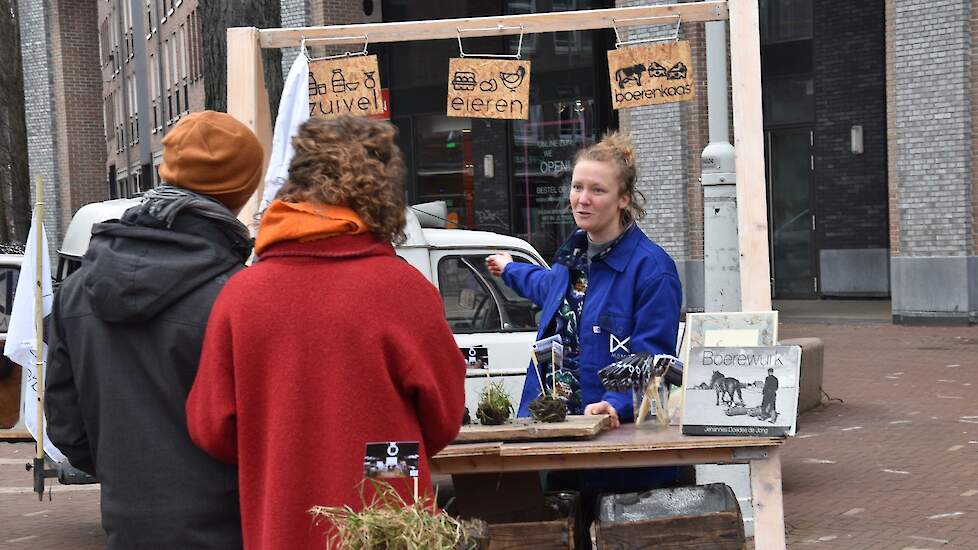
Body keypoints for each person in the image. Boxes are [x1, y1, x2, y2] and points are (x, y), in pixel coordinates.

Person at [185, 115, 467, 550]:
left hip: (283, 522)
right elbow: (444, 417)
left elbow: (211, 429)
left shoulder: (240, 297)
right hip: (388, 517)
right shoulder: (404, 290)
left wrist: (280, 446)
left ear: (296, 185)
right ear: (384, 193)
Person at [45, 111, 264, 549]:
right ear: (243, 191)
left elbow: (67, 429)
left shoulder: (76, 290)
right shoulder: (243, 298)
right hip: (231, 526)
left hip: (128, 525)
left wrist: (128, 471)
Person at [486, 132, 682, 548]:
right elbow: (545, 287)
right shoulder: (569, 259)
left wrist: (615, 405)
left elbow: (654, 359)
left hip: (619, 454)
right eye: (577, 187)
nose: (583, 199)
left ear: (623, 198)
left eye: (598, 189)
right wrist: (509, 269)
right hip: (559, 439)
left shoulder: (653, 270)